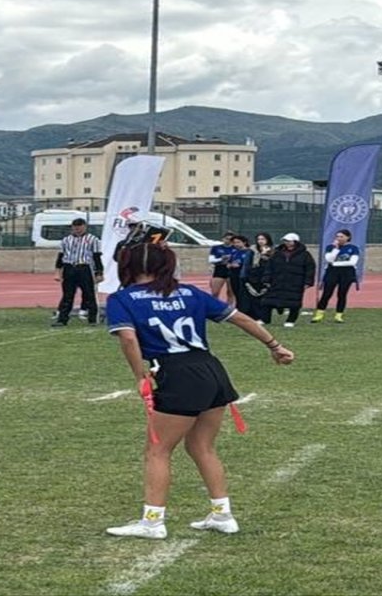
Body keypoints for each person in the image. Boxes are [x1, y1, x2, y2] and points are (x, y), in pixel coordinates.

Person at [104, 224, 295, 539]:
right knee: (202, 446)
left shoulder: (122, 299)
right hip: (210, 369)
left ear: (129, 264)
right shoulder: (190, 293)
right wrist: (275, 346)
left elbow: (128, 340)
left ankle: (152, 522)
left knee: (158, 450)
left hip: (174, 373)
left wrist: (141, 377)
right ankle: (222, 515)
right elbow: (241, 317)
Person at [52, 218, 103, 326]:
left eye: (80, 227)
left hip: (84, 268)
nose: (77, 230)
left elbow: (96, 257)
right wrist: (57, 272)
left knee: (89, 294)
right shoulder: (66, 240)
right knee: (67, 295)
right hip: (69, 267)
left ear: (85, 227)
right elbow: (61, 256)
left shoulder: (93, 239)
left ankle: (92, 319)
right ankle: (62, 319)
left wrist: (99, 273)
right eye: (75, 228)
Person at [258, 232, 315, 328]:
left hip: (296, 282)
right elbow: (269, 267)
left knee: (294, 303)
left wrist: (308, 282)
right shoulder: (277, 253)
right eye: (285, 241)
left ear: (295, 242)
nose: (286, 243)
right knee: (267, 301)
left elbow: (310, 268)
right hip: (277, 281)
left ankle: (290, 320)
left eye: (289, 241)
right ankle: (265, 319)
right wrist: (266, 279)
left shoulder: (305, 255)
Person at [313, 229, 360, 324]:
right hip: (332, 273)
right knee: (326, 294)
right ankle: (319, 314)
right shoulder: (330, 247)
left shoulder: (353, 248)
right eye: (337, 236)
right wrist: (336, 248)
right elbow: (329, 259)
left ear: (348, 237)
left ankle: (339, 315)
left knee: (342, 294)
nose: (339, 238)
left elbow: (353, 262)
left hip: (347, 273)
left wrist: (335, 264)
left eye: (341, 236)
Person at [225, 235, 255, 317]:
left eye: (238, 242)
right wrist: (229, 264)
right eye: (234, 242)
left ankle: (246, 310)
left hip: (243, 275)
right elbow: (230, 262)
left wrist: (240, 265)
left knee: (244, 293)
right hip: (233, 274)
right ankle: (239, 308)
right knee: (236, 292)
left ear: (244, 242)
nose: (236, 244)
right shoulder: (234, 252)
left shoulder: (249, 252)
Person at [207, 232, 236, 304]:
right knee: (215, 292)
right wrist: (221, 259)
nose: (228, 241)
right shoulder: (216, 248)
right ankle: (214, 306)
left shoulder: (235, 248)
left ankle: (229, 309)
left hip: (232, 271)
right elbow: (211, 260)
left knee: (231, 292)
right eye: (227, 239)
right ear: (223, 239)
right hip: (220, 270)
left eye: (231, 239)